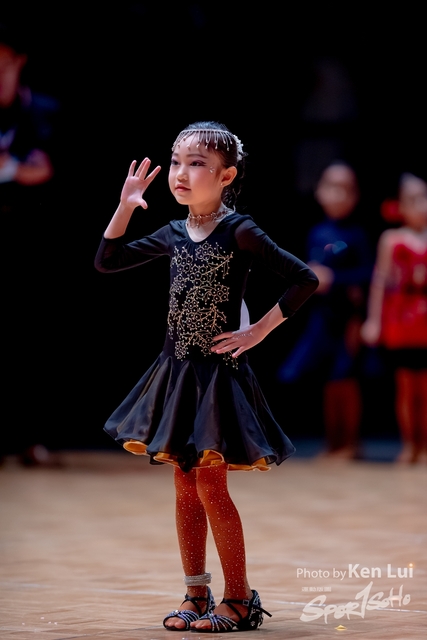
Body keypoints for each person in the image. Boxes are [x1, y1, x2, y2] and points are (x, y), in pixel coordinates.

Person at [94, 121, 318, 632]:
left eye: (196, 164)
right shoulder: (173, 233)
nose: (181, 173)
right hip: (176, 375)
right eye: (176, 161)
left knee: (211, 487)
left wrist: (257, 331)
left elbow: (304, 278)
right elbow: (107, 260)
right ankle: (196, 593)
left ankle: (239, 598)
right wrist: (125, 206)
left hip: (217, 377)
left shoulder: (239, 230)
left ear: (226, 176)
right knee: (183, 484)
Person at [277, 161, 373, 459]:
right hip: (322, 317)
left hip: (348, 317)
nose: (337, 195)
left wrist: (335, 280)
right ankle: (333, 443)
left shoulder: (357, 235)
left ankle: (351, 442)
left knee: (346, 378)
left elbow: (369, 274)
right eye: (331, 187)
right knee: (328, 380)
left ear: (355, 196)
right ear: (319, 191)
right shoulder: (317, 233)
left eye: (345, 189)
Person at [1, 22, 60, 466]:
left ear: (18, 62)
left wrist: (14, 169)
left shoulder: (43, 112)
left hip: (29, 244)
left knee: (29, 339)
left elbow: (45, 169)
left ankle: (29, 439)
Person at [361, 173, 427, 464]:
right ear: (400, 205)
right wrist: (373, 320)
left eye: (424, 198)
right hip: (402, 321)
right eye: (413, 200)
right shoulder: (391, 239)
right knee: (406, 386)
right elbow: (380, 281)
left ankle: (424, 445)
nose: (421, 205)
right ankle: (410, 444)